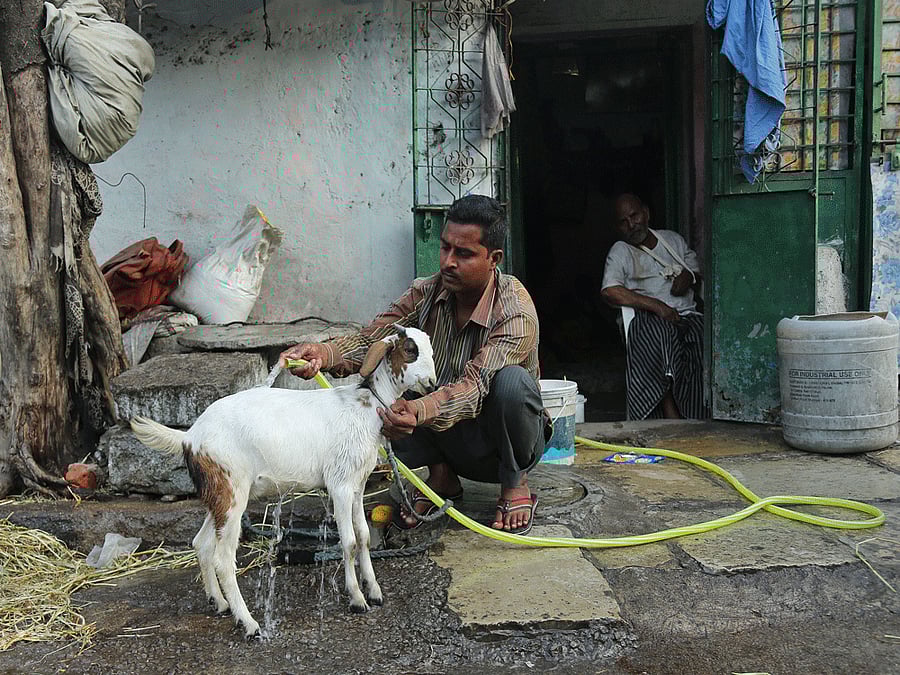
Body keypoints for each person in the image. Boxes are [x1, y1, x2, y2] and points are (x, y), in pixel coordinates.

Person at [280, 195, 549, 535]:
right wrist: (324, 354)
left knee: (511, 383)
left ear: (493, 259)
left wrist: (418, 411)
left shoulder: (514, 310)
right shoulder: (426, 292)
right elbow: (374, 339)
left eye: (463, 254)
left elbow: (476, 385)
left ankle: (515, 483)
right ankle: (442, 476)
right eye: (445, 248)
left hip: (497, 445)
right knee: (388, 379)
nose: (448, 262)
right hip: (446, 436)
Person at [600, 193, 707, 420]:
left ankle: (696, 414)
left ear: (646, 213)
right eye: (623, 221)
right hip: (647, 318)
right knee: (661, 338)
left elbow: (696, 270)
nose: (631, 224)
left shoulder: (673, 240)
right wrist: (656, 306)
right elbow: (610, 290)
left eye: (634, 215)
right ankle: (670, 413)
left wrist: (688, 277)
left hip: (686, 315)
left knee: (702, 339)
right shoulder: (621, 251)